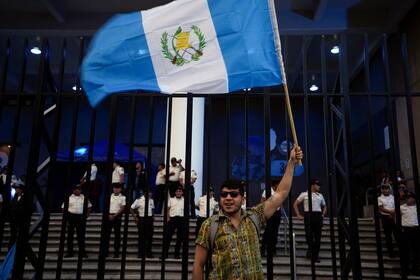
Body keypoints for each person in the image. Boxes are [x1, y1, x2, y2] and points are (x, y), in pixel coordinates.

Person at [192, 145, 303, 280]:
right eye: (224, 194)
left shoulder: (254, 217)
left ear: (243, 199)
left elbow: (281, 193)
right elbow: (198, 264)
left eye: (233, 194)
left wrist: (291, 162)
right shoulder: (209, 225)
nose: (228, 198)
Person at [293, 179, 326, 263]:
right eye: (317, 185)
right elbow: (295, 204)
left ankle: (315, 255)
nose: (319, 186)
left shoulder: (320, 195)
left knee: (318, 237)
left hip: (318, 216)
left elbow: (325, 206)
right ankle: (311, 252)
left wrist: (322, 214)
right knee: (309, 236)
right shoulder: (304, 194)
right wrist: (298, 214)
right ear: (312, 185)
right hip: (308, 216)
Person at [62, 184, 91, 258]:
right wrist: (66, 218)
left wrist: (86, 216)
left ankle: (82, 253)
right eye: (75, 189)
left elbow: (89, 207)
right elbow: (63, 208)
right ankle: (70, 253)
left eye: (78, 189)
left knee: (80, 236)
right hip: (71, 216)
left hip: (80, 217)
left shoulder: (84, 198)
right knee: (70, 236)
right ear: (73, 190)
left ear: (81, 190)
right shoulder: (69, 198)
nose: (77, 190)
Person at [400, 192, 419, 277]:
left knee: (416, 252)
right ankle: (405, 271)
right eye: (407, 198)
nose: (408, 199)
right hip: (406, 231)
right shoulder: (401, 207)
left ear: (414, 199)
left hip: (416, 231)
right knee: (405, 253)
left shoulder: (417, 207)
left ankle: (415, 270)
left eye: (410, 197)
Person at [260, 182, 282, 257]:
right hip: (269, 212)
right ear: (275, 184)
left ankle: (273, 249)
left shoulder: (279, 191)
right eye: (279, 184)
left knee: (275, 232)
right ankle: (262, 249)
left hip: (277, 213)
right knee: (268, 231)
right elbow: (262, 201)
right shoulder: (267, 191)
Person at [130, 191, 155, 258]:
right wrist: (135, 217)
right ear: (145, 193)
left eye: (151, 193)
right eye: (149, 192)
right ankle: (140, 253)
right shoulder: (139, 200)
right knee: (141, 237)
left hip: (149, 219)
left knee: (150, 237)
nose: (150, 194)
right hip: (142, 219)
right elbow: (131, 208)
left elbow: (152, 209)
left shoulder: (151, 200)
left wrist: (153, 216)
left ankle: (148, 253)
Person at [377, 184, 398, 258]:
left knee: (397, 235)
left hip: (394, 216)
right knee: (388, 236)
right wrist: (390, 213)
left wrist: (393, 214)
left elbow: (396, 206)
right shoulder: (379, 198)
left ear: (389, 189)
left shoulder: (393, 197)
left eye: (386, 188)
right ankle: (391, 253)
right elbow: (381, 208)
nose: (385, 190)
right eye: (383, 188)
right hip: (385, 217)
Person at [164, 186, 185, 259]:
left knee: (180, 238)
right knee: (168, 237)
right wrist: (167, 218)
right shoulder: (171, 199)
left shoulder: (185, 200)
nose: (178, 192)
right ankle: (165, 254)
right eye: (177, 191)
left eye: (180, 191)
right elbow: (167, 209)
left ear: (182, 192)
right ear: (175, 193)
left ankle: (176, 254)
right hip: (172, 219)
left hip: (181, 220)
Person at [106, 183, 126, 258]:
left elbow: (123, 208)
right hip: (108, 216)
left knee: (117, 235)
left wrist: (114, 216)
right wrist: (108, 215)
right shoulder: (109, 196)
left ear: (120, 189)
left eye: (118, 188)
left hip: (117, 217)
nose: (116, 189)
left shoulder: (123, 197)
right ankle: (105, 252)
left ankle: (116, 252)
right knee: (107, 235)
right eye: (115, 188)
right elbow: (106, 205)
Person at [8, 182, 28, 249]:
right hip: (14, 220)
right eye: (16, 188)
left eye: (17, 188)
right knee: (13, 235)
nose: (16, 190)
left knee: (21, 235)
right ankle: (11, 247)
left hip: (21, 220)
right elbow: (11, 206)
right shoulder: (15, 197)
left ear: (21, 189)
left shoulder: (25, 197)